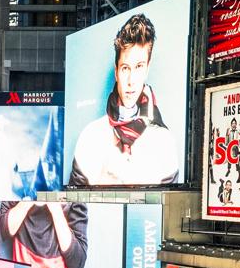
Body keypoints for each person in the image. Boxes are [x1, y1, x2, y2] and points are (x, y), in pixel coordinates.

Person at [70, 13, 179, 186]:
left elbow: (171, 208)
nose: (131, 80)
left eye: (139, 67)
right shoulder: (91, 135)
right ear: (116, 71)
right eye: (126, 68)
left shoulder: (163, 141)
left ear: (147, 68)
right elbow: (74, 207)